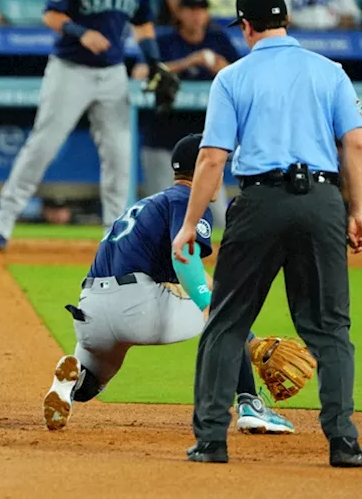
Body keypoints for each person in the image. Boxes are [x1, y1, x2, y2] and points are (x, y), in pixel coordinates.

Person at [171, 0, 362, 468]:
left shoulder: (232, 77)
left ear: (246, 26)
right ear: (286, 23)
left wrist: (190, 223)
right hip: (323, 200)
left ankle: (212, 440)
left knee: (226, 323)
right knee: (329, 330)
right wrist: (357, 210)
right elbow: (357, 145)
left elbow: (213, 157)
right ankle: (343, 443)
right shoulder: (330, 72)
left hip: (259, 201)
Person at [42, 134, 295, 435]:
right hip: (137, 307)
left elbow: (191, 271)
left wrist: (217, 304)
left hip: (91, 311)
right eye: (218, 167)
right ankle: (251, 405)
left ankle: (67, 385)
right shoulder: (188, 201)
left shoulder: (147, 205)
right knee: (228, 312)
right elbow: (184, 259)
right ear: (203, 169)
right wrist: (221, 316)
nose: (220, 175)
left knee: (91, 384)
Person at [0, 0, 175, 249]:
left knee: (119, 154)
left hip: (112, 74)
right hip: (69, 69)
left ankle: (115, 234)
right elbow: (51, 15)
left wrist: (154, 61)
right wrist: (80, 32)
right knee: (43, 145)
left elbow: (143, 24)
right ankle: (4, 219)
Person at [132, 0, 238, 222]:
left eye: (201, 10)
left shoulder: (217, 40)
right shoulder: (165, 40)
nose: (196, 16)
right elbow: (139, 73)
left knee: (218, 218)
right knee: (161, 217)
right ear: (179, 13)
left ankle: (212, 261)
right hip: (163, 141)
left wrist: (218, 66)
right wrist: (187, 62)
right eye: (190, 10)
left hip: (204, 147)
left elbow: (244, 77)